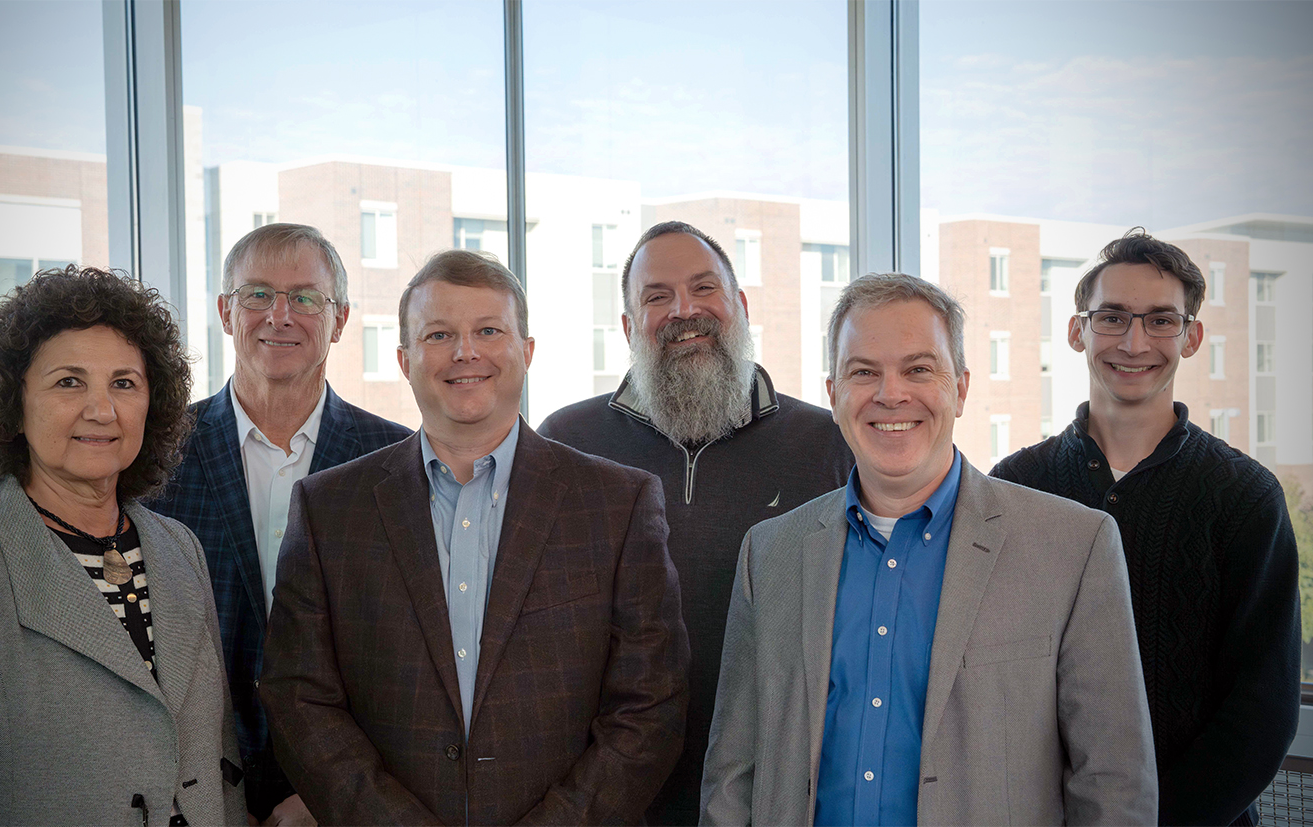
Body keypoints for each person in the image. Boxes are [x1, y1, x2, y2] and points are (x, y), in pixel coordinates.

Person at [701, 272, 1157, 826]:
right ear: (833, 393)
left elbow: (1113, 785)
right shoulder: (768, 554)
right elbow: (732, 776)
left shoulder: (1073, 549)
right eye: (863, 372)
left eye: (918, 369)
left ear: (961, 388)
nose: (891, 393)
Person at [260, 249, 690, 825]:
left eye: (489, 330)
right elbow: (299, 699)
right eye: (439, 335)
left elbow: (650, 708)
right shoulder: (328, 507)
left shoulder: (618, 503)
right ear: (404, 359)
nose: (466, 352)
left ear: (526, 351)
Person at [0, 266, 245, 826]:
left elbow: (217, 757)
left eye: (124, 383)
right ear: (13, 403)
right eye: (69, 381)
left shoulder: (178, 547)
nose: (102, 410)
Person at [538, 219, 853, 824]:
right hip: (604, 796)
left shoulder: (828, 443)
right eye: (657, 296)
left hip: (777, 789)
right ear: (629, 328)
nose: (685, 310)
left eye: (704, 288)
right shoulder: (566, 443)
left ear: (740, 306)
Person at [991, 229, 1300, 826]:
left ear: (1191, 338)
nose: (1135, 342)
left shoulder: (1244, 496)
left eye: (1161, 320)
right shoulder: (1013, 485)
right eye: (1112, 317)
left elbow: (1263, 709)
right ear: (1078, 330)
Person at [148, 223, 410, 825]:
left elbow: (407, 661)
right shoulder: (156, 457)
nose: (280, 315)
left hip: (343, 800)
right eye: (258, 294)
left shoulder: (396, 462)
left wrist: (329, 792)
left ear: (340, 320)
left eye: (306, 297)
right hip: (190, 793)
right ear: (225, 312)